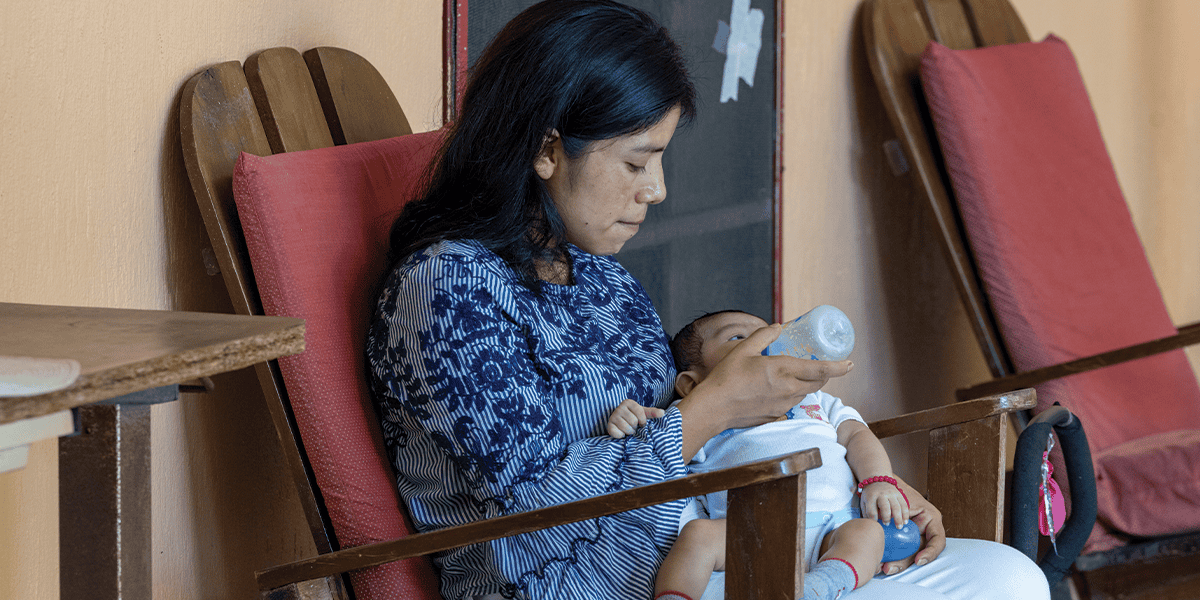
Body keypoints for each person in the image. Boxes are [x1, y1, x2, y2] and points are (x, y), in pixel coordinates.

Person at [365, 1, 1049, 599]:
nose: (656, 190)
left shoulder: (601, 278)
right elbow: (535, 500)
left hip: (720, 551)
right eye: (636, 162)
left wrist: (864, 492)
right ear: (547, 149)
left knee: (1009, 577)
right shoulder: (451, 289)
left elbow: (688, 445)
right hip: (593, 585)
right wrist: (718, 403)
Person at [608, 310, 912, 600]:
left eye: (767, 334)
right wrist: (632, 419)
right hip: (748, 531)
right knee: (698, 536)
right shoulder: (696, 414)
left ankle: (821, 586)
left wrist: (878, 480)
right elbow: (659, 449)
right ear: (692, 384)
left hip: (835, 527)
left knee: (868, 533)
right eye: (739, 338)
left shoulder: (816, 401)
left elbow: (858, 435)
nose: (763, 344)